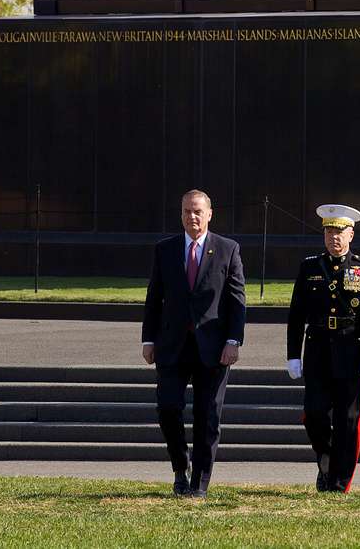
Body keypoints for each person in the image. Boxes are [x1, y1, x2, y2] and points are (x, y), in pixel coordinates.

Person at [141, 189, 246, 498]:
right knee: (168, 408)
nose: (192, 216)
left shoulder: (228, 249)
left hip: (213, 349)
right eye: (187, 211)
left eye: (198, 211)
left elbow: (237, 300)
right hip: (172, 346)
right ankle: (179, 466)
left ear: (209, 214)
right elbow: (153, 298)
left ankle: (199, 482)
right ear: (181, 214)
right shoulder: (165, 249)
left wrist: (233, 340)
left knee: (208, 416)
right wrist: (148, 339)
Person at [286, 204, 360, 493]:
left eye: (340, 232)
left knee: (348, 419)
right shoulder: (309, 268)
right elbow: (296, 314)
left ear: (351, 234)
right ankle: (327, 455)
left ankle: (339, 480)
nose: (334, 238)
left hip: (352, 348)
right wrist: (294, 354)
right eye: (329, 231)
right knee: (314, 412)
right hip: (317, 347)